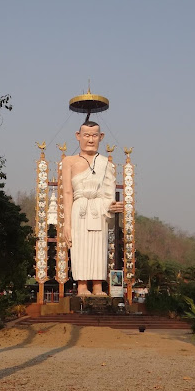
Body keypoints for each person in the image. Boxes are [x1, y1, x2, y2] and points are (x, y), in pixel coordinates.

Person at [63, 121, 123, 296]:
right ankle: (82, 285)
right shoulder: (69, 162)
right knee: (79, 246)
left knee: (99, 247)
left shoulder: (106, 163)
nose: (90, 140)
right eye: (87, 135)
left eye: (94, 135)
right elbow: (67, 192)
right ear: (78, 136)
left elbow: (109, 192)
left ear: (101, 137)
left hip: (99, 209)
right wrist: (67, 224)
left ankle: (98, 285)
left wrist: (112, 205)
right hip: (79, 209)